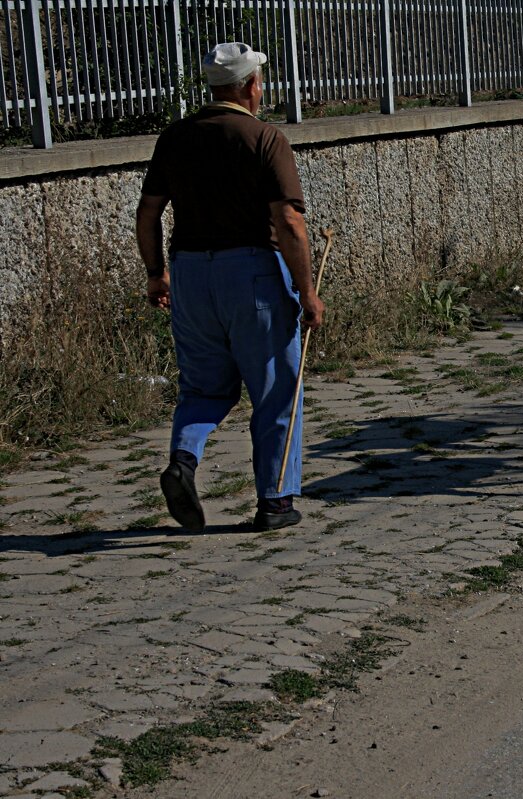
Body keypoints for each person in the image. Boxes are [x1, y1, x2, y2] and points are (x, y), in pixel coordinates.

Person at [136, 42, 325, 533]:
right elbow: (288, 221)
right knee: (276, 390)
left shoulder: (175, 137)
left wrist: (157, 273)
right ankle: (276, 502)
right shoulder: (264, 138)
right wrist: (307, 292)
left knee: (202, 386)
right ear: (249, 86)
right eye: (259, 82)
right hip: (253, 275)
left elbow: (149, 212)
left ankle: (183, 458)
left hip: (191, 274)